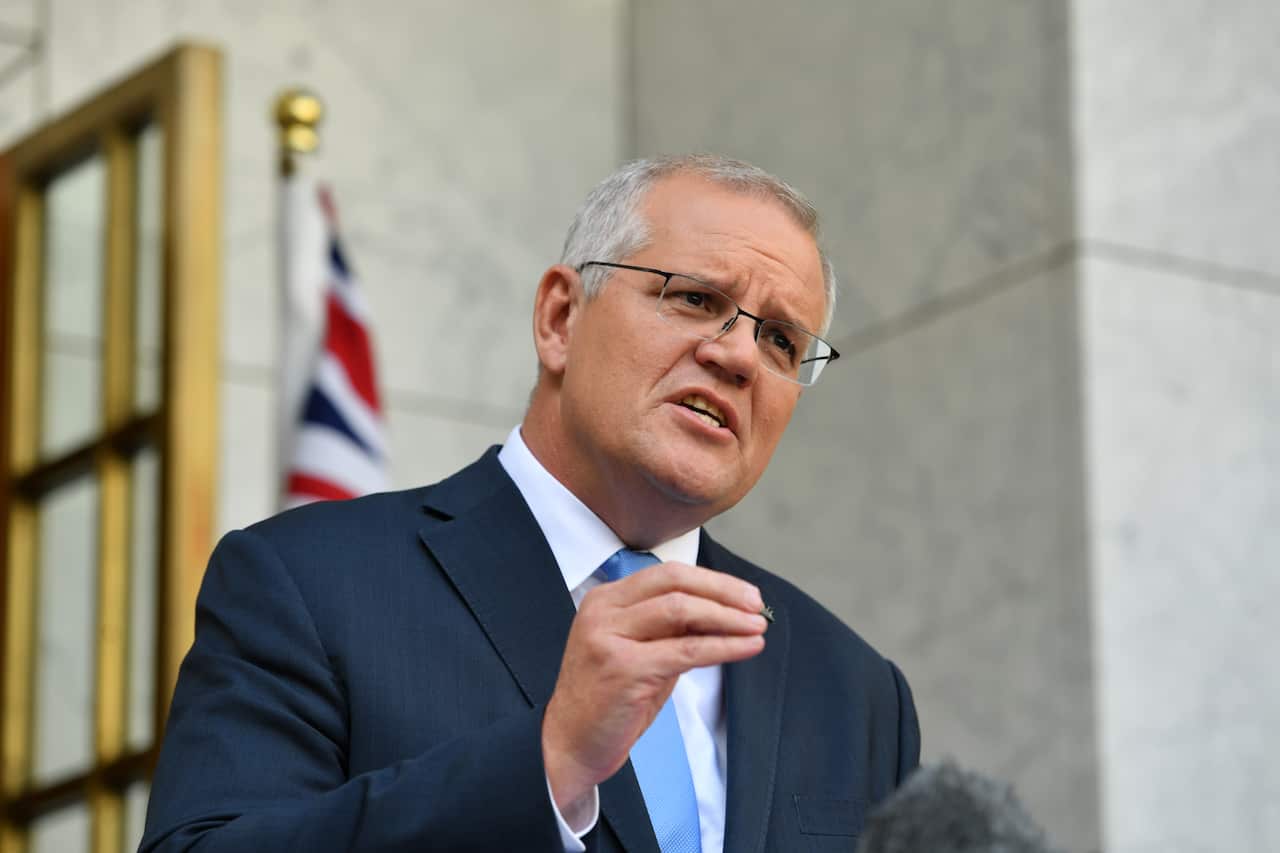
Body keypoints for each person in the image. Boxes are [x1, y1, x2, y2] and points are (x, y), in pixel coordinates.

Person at [141, 154, 920, 853]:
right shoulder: (309, 582)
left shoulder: (854, 688)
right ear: (559, 318)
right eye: (694, 298)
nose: (738, 355)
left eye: (782, 341)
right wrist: (545, 763)